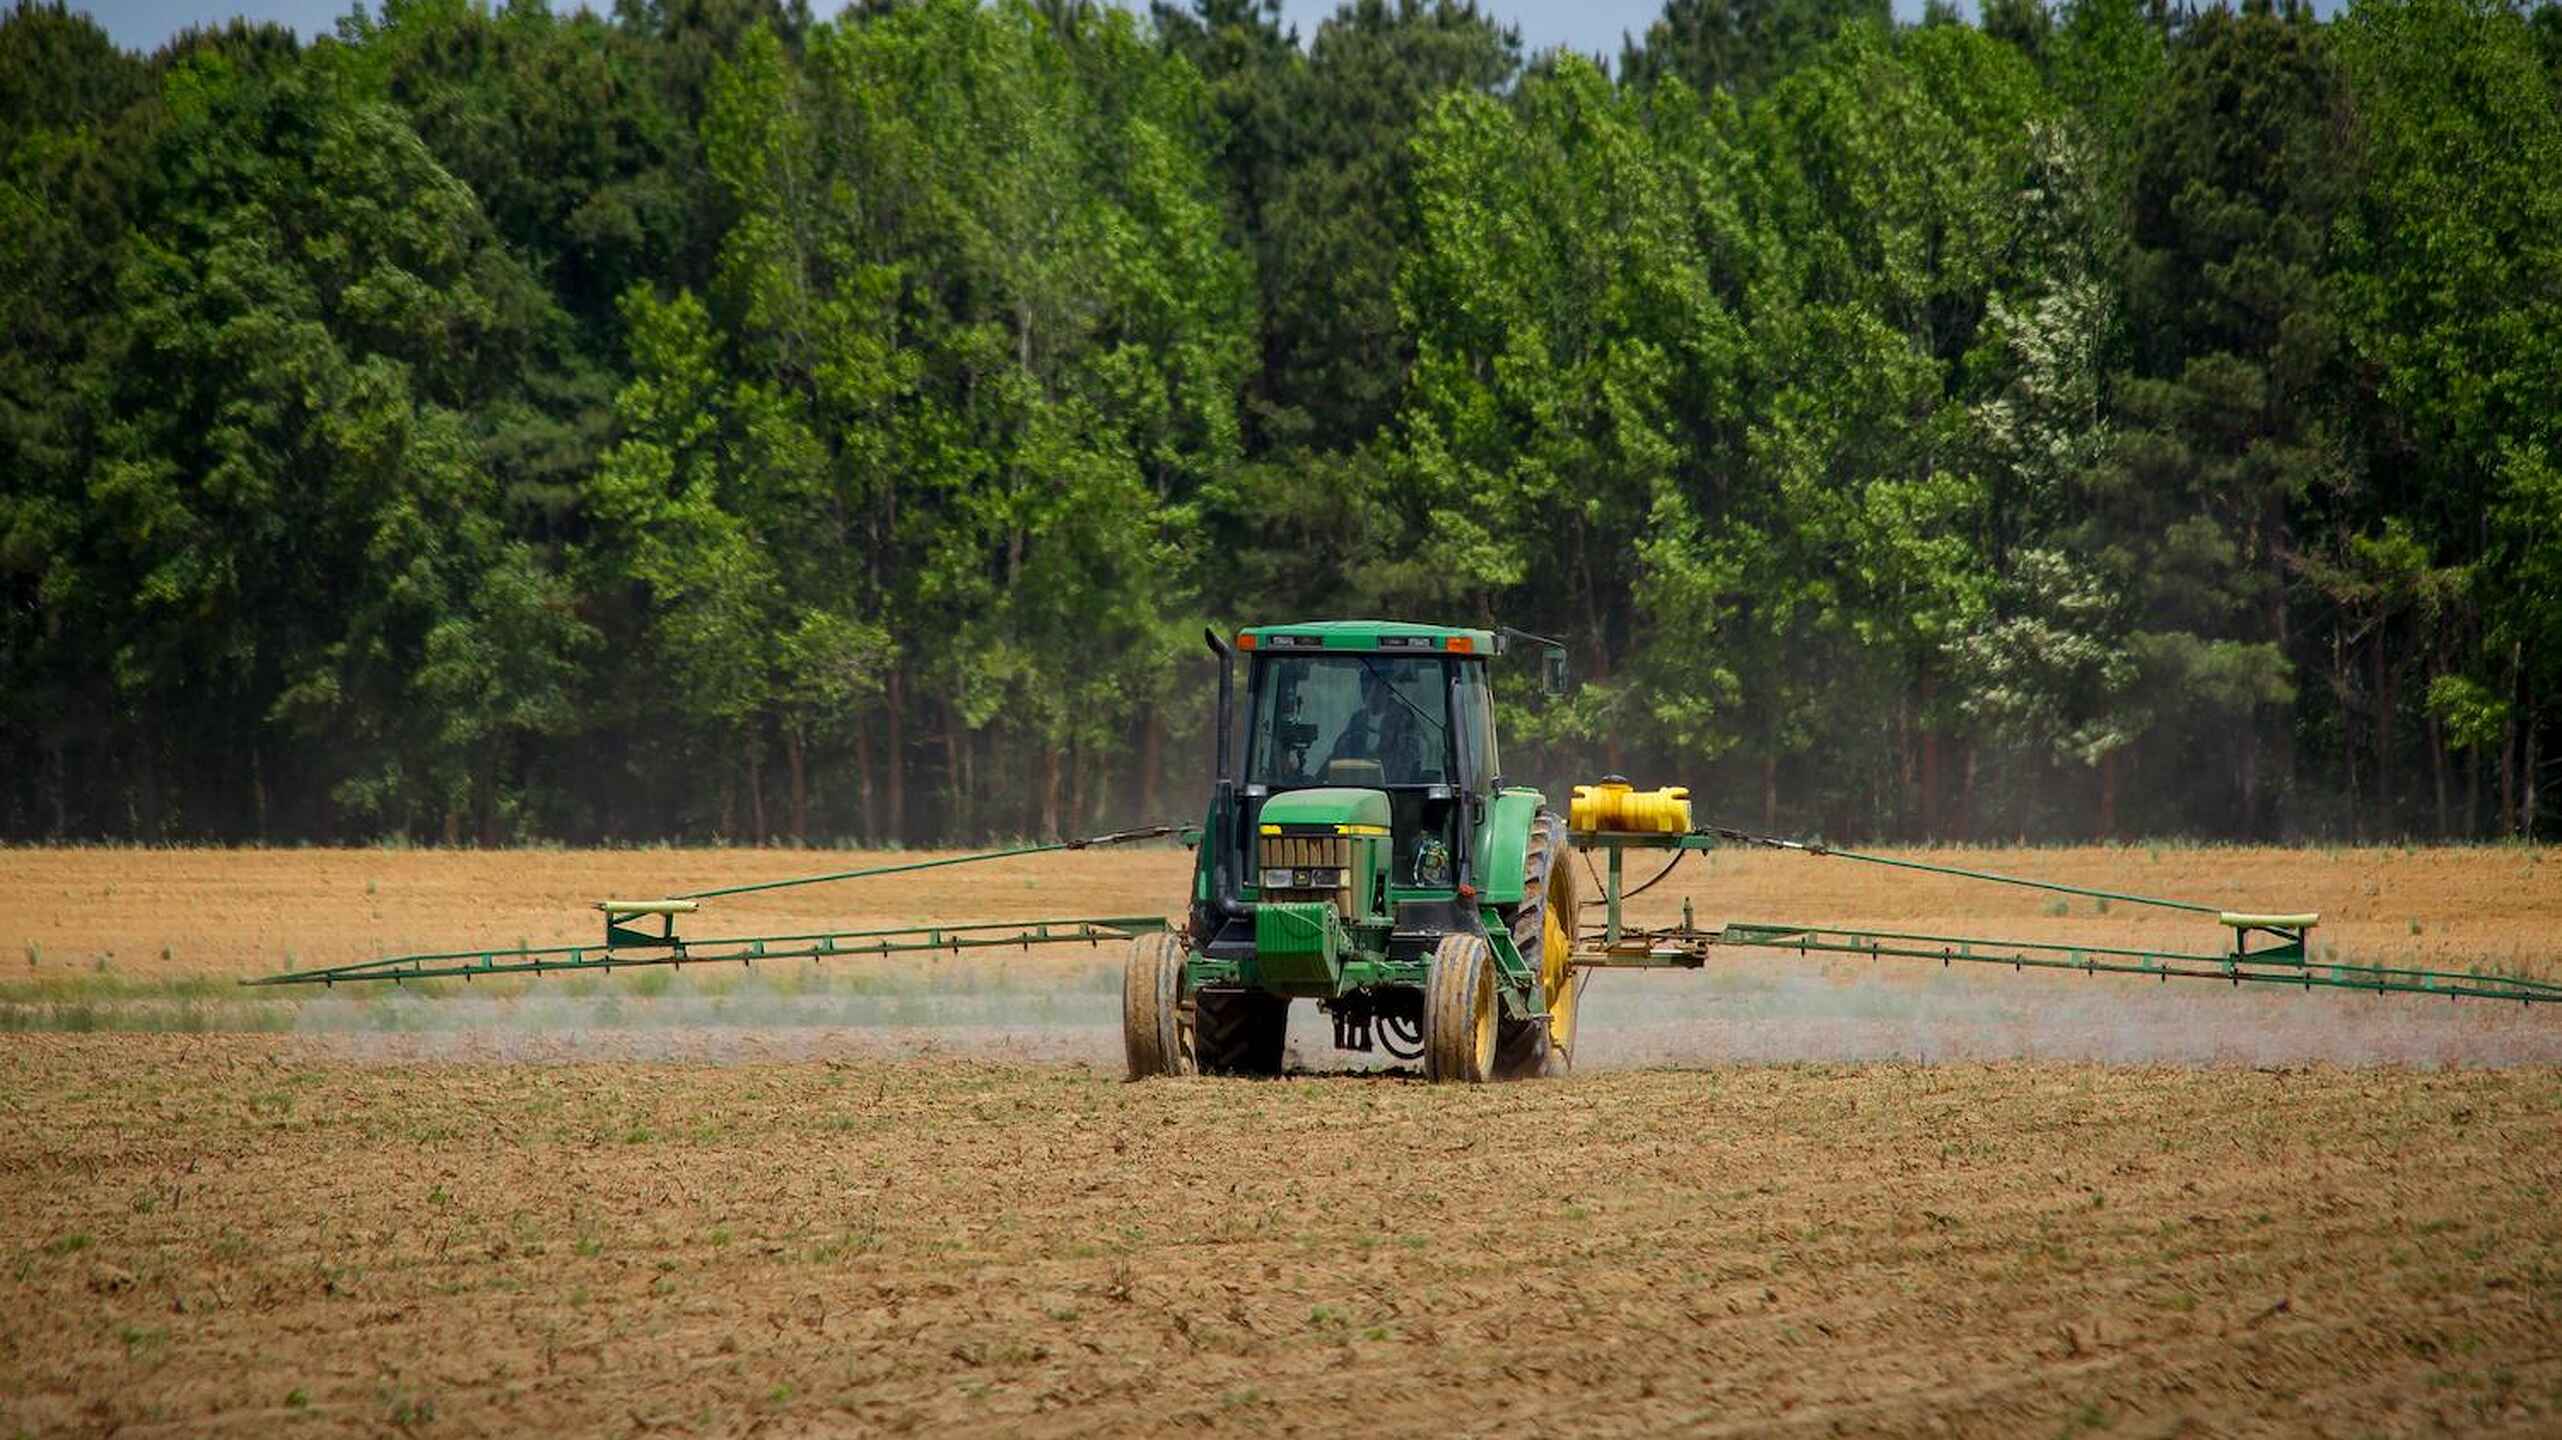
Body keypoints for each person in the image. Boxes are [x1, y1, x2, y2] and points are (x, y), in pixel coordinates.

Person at [1326, 665, 1428, 784]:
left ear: (1388, 689)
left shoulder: (1404, 720)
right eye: (1365, 686)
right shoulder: (1358, 719)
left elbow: (1407, 763)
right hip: (1356, 788)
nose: (1370, 692)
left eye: (1376, 686)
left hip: (1393, 791)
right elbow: (1341, 753)